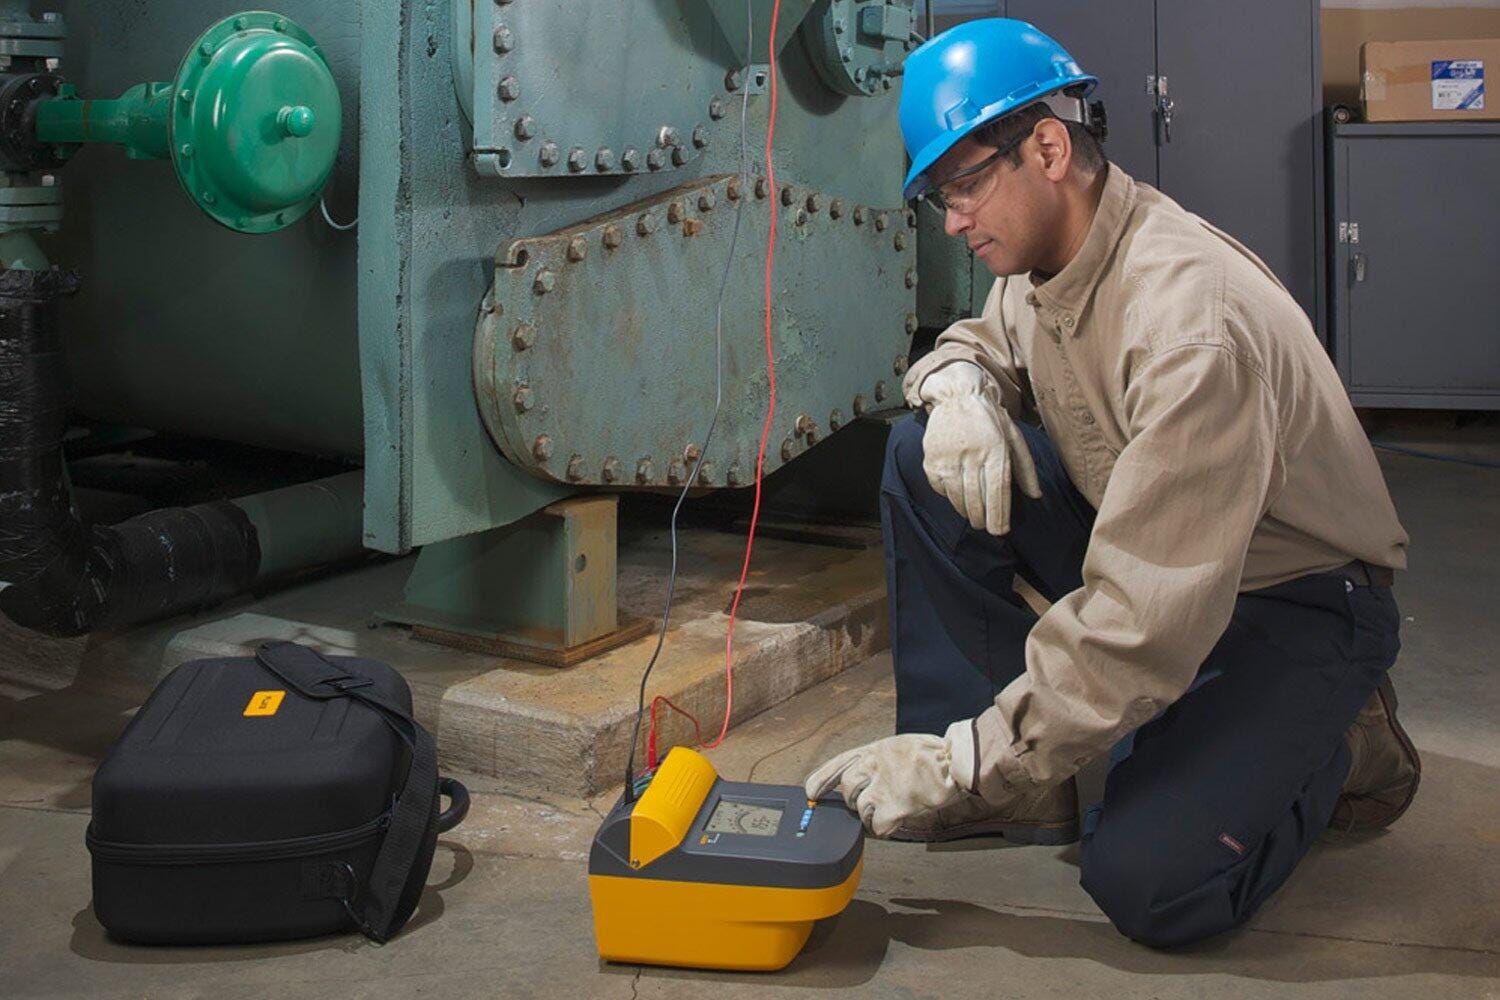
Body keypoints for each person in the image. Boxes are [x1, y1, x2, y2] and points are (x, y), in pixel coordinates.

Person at [804, 18, 1420, 948]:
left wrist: (970, 763)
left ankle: (1338, 743)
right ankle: (1003, 774)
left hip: (1295, 599)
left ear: (1047, 147)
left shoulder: (1186, 325)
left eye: (962, 185)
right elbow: (989, 339)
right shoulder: (1047, 262)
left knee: (1151, 879)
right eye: (937, 198)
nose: (954, 220)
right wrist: (958, 384)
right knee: (917, 457)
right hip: (1168, 551)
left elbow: (1141, 618)